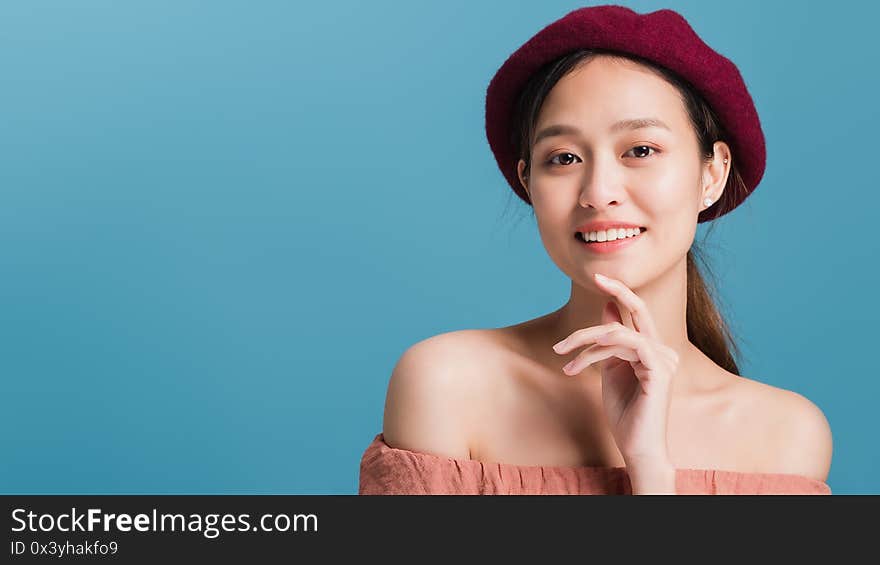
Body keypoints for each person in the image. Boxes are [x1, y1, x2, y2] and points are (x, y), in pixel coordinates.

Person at [358, 4, 833, 495]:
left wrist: (650, 467)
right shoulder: (447, 384)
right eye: (563, 158)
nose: (598, 191)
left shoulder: (785, 436)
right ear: (528, 183)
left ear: (712, 173)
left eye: (640, 150)